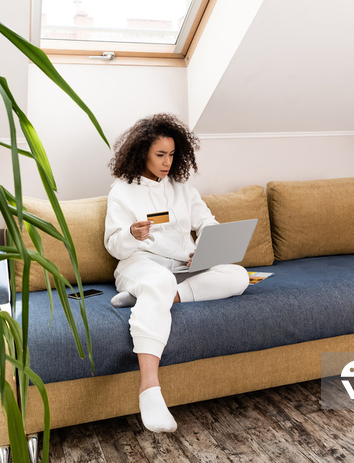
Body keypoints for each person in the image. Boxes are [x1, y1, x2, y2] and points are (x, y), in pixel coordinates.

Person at [104, 113, 250, 433]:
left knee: (238, 276)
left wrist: (208, 245)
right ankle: (149, 389)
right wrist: (132, 234)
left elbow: (206, 221)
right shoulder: (122, 191)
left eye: (171, 154)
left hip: (183, 269)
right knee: (159, 279)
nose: (167, 162)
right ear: (142, 152)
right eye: (160, 154)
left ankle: (153, 297)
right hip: (139, 264)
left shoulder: (183, 188)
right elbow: (114, 246)